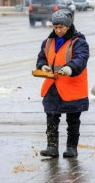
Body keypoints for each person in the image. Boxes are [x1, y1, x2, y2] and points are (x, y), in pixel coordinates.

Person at [36, 10, 90, 158]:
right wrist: (42, 66)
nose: (58, 30)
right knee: (51, 117)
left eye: (62, 27)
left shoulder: (79, 42)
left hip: (72, 87)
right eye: (56, 27)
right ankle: (52, 147)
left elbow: (81, 58)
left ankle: (71, 148)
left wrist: (70, 67)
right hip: (52, 86)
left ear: (68, 25)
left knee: (73, 120)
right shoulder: (48, 42)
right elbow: (42, 57)